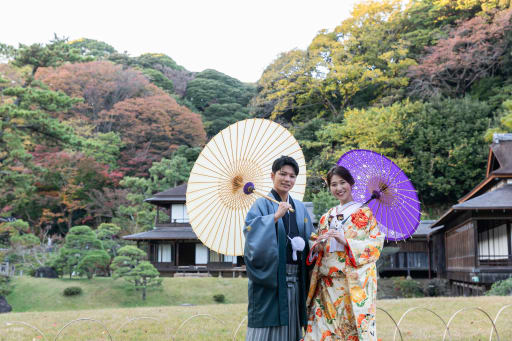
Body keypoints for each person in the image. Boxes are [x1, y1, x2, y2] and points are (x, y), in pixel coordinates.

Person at [303, 166, 385, 341]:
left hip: (350, 285)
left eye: (343, 182)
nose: (339, 188)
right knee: (321, 332)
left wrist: (346, 241)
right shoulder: (327, 216)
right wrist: (318, 245)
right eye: (333, 184)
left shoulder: (364, 213)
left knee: (349, 331)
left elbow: (375, 243)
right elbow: (314, 242)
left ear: (351, 184)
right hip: (326, 286)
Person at [244, 155, 314, 341]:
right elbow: (251, 232)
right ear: (272, 175)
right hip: (272, 279)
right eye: (283, 174)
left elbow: (310, 240)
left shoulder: (299, 207)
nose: (287, 179)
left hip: (297, 279)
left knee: (291, 326)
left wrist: (318, 243)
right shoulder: (261, 204)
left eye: (292, 176)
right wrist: (274, 217)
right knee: (267, 327)